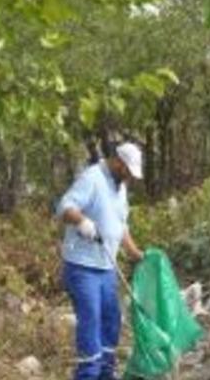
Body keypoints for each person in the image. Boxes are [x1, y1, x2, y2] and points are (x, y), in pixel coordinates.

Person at [57, 142, 145, 380]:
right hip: (82, 267)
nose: (129, 178)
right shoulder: (92, 178)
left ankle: (106, 374)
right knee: (91, 321)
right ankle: (88, 374)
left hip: (106, 267)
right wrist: (81, 221)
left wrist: (136, 253)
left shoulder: (120, 186)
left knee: (112, 320)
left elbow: (120, 225)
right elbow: (64, 207)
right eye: (127, 171)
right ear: (118, 162)